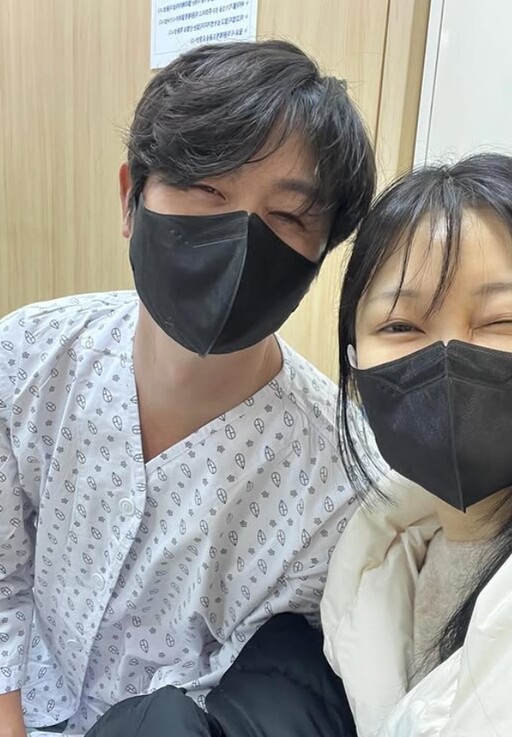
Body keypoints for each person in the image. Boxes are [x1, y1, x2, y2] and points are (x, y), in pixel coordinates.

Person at [0, 40, 375, 736]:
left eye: (289, 217)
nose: (240, 236)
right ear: (131, 199)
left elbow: (253, 695)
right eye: (207, 188)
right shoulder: (28, 357)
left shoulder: (338, 482)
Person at [322, 153, 512, 736]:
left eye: (502, 321)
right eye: (401, 326)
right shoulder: (367, 572)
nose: (448, 356)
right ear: (355, 370)